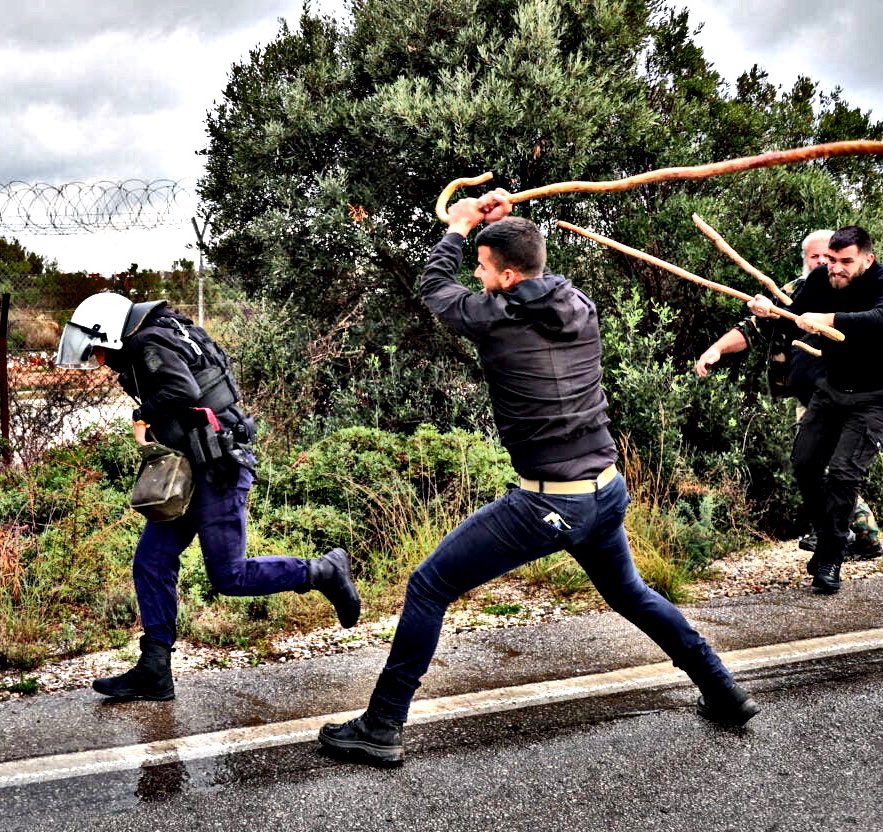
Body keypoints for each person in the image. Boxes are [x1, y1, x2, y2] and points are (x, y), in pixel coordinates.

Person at [318, 191, 760, 766]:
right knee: (630, 592)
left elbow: (433, 288)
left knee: (428, 586)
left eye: (481, 268)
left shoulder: (497, 319)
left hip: (551, 504)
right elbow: (532, 273)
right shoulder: (579, 304)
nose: (475, 277)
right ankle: (722, 689)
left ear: (503, 275)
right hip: (605, 489)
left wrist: (458, 227)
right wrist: (500, 226)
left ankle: (380, 726)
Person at [55, 293, 361, 701]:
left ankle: (323, 570)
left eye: (98, 349)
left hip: (219, 466)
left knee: (229, 576)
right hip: (193, 464)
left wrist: (141, 415)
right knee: (153, 558)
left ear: (110, 331)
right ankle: (154, 669)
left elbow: (181, 389)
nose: (99, 359)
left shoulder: (148, 343)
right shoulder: (162, 332)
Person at [694, 230, 883, 559]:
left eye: (830, 257)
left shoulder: (858, 291)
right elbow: (753, 328)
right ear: (805, 260)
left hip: (853, 397)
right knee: (814, 465)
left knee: (833, 468)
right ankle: (846, 535)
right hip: (810, 399)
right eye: (816, 257)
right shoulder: (794, 292)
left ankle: (858, 536)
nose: (824, 263)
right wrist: (717, 349)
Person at [746, 226, 883, 594]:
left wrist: (829, 319)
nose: (836, 268)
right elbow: (795, 313)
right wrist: (768, 311)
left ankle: (831, 555)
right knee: (804, 463)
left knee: (845, 475)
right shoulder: (821, 277)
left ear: (868, 258)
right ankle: (831, 532)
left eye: (845, 262)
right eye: (831, 260)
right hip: (832, 390)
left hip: (875, 396)